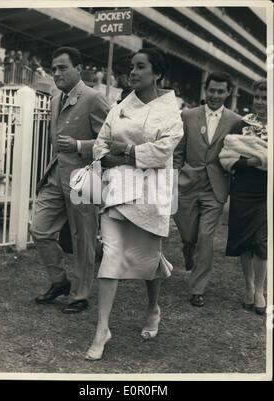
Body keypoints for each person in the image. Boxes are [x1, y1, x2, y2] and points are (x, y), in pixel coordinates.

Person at [85, 48, 183, 360]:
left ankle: (153, 308)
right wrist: (121, 155)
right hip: (117, 190)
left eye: (141, 67)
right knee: (111, 256)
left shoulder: (170, 111)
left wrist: (125, 151)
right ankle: (102, 329)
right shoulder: (120, 107)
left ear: (157, 74)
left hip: (151, 195)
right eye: (132, 66)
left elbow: (162, 152)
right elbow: (100, 146)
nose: (133, 71)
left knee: (149, 259)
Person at [30, 47, 110, 314]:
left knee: (83, 238)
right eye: (54, 69)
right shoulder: (55, 99)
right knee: (39, 228)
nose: (57, 73)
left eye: (63, 68)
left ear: (79, 68)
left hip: (85, 177)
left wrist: (79, 145)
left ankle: (80, 294)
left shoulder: (94, 98)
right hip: (56, 174)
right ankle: (59, 281)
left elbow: (110, 141)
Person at [173, 71, 243, 307]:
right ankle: (187, 246)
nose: (215, 95)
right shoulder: (187, 115)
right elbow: (178, 152)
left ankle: (197, 289)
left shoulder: (235, 121)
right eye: (211, 90)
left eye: (220, 91)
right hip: (187, 184)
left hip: (216, 187)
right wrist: (174, 176)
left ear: (228, 92)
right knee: (189, 234)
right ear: (206, 89)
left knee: (206, 236)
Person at [220, 79, 268, 315]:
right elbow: (226, 155)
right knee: (245, 241)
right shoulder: (242, 125)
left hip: (267, 191)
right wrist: (250, 161)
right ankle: (248, 286)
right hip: (243, 188)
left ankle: (260, 290)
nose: (260, 101)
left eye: (265, 97)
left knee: (261, 241)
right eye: (257, 97)